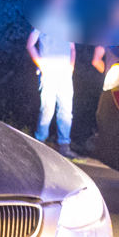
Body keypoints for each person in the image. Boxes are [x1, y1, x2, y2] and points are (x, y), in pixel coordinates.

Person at [26, 27, 77, 159]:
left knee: (66, 111)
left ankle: (64, 146)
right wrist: (42, 65)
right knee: (47, 108)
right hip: (48, 73)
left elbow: (72, 48)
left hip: (65, 74)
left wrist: (71, 67)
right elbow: (30, 44)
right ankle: (39, 143)